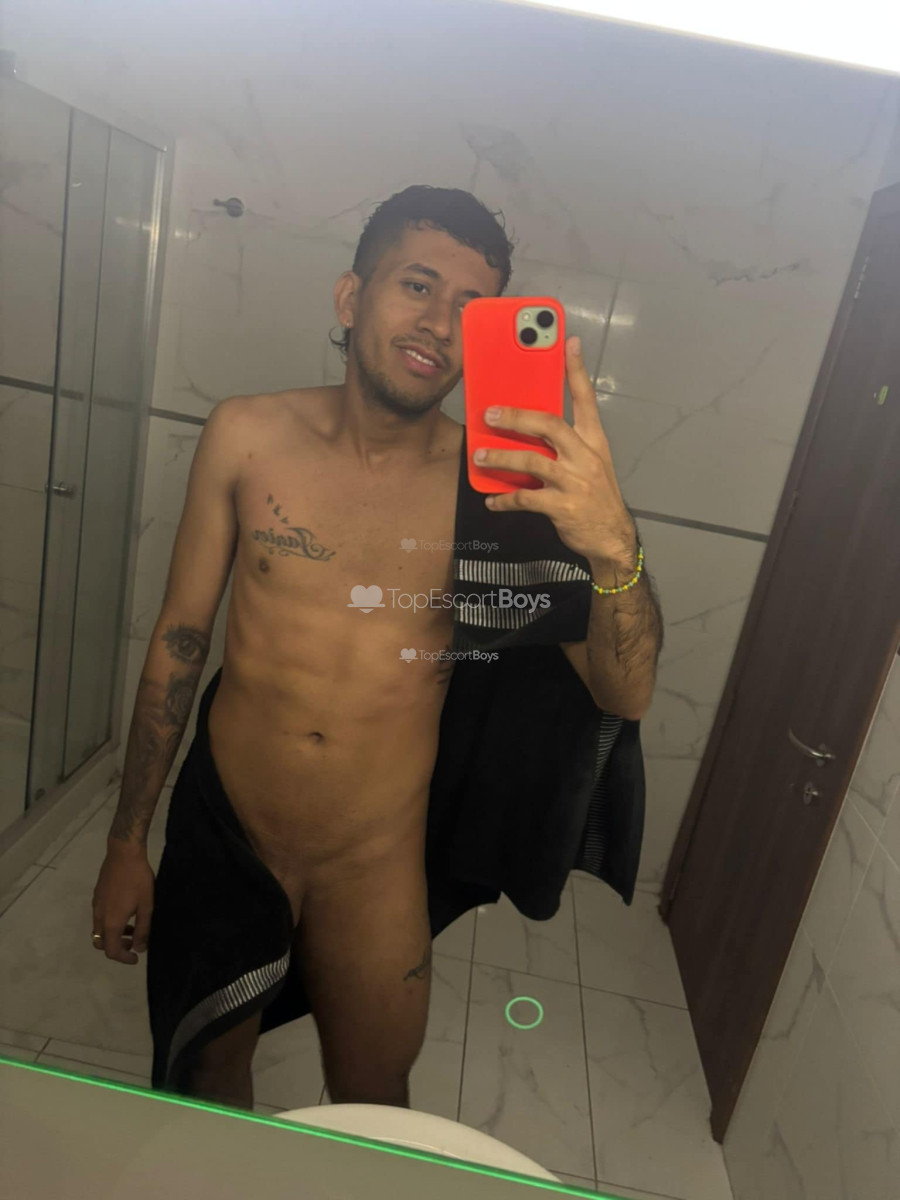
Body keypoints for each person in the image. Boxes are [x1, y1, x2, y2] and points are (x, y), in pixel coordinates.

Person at [90, 185, 663, 1113]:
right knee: (206, 1086)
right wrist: (127, 842)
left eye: (472, 309)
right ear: (352, 297)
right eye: (418, 285)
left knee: (374, 1095)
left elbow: (622, 693)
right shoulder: (247, 436)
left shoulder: (502, 493)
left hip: (374, 859)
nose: (439, 324)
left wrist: (612, 545)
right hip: (231, 829)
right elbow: (180, 640)